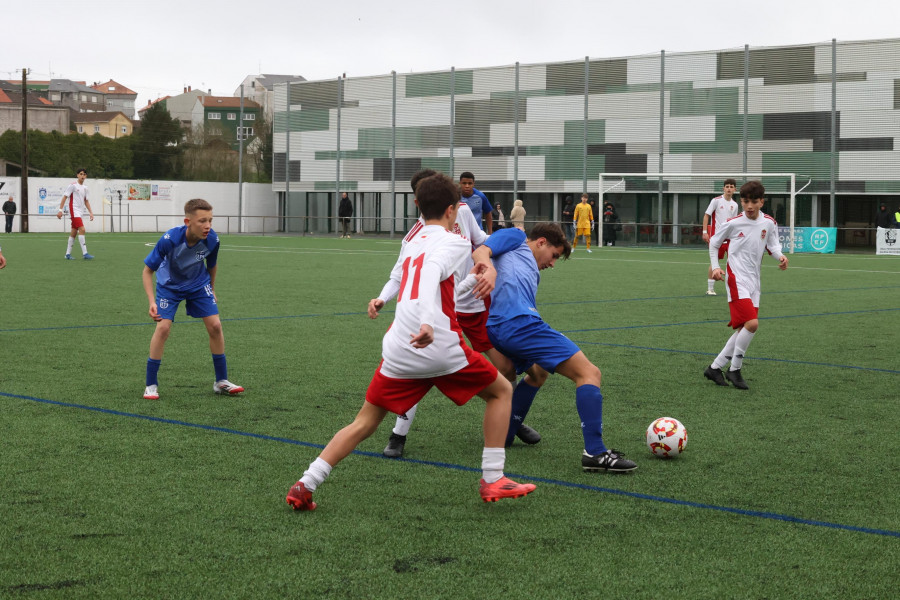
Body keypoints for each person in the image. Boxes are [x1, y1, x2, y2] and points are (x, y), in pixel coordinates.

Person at [286, 173, 536, 510]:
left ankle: (306, 483)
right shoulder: (454, 242)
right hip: (437, 346)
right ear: (454, 209)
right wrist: (429, 323)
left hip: (400, 349)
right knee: (502, 391)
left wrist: (471, 280)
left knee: (364, 422)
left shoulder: (412, 238)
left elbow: (421, 280)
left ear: (417, 206)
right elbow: (433, 271)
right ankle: (493, 479)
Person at [377, 170, 540, 459]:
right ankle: (398, 435)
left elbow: (480, 239)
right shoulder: (414, 237)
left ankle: (511, 422)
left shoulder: (461, 212)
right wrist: (382, 298)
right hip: (439, 312)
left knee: (506, 367)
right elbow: (403, 277)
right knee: (421, 369)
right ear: (420, 203)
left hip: (475, 302)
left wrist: (508, 244)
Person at [472, 223, 637, 473]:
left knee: (538, 374)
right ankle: (595, 452)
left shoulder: (528, 268)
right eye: (554, 255)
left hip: (503, 328)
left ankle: (506, 432)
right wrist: (489, 270)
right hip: (518, 325)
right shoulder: (516, 236)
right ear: (541, 242)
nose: (552, 263)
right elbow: (481, 251)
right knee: (589, 373)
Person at [141, 198, 244, 401]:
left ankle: (221, 381)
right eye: (202, 221)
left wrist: (212, 289)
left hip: (198, 284)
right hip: (169, 286)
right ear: (188, 222)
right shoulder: (170, 240)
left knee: (215, 326)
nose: (207, 226)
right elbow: (147, 271)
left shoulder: (213, 240)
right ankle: (151, 384)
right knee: (162, 329)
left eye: (210, 221)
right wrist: (151, 301)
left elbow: (212, 265)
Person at [704, 181, 788, 391]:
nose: (749, 206)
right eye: (745, 201)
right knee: (752, 324)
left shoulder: (769, 222)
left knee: (744, 328)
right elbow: (714, 242)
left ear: (762, 201)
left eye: (754, 201)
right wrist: (715, 267)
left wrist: (780, 256)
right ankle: (735, 369)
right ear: (741, 201)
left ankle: (714, 368)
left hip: (754, 281)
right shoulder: (733, 223)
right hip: (736, 279)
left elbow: (773, 244)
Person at [701, 178, 738, 295]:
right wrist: (704, 231)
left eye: (731, 187)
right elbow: (706, 216)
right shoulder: (716, 201)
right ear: (723, 188)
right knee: (714, 262)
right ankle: (710, 289)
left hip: (730, 238)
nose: (729, 189)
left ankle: (734, 288)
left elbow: (735, 222)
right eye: (727, 186)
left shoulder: (735, 205)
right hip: (716, 238)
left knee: (733, 262)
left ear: (734, 189)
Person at [56, 168, 95, 260]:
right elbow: (65, 197)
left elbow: (86, 201)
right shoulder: (73, 185)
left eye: (84, 174)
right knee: (82, 229)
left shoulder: (85, 188)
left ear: (86, 176)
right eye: (80, 174)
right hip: (74, 211)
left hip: (80, 212)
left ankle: (67, 255)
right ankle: (85, 253)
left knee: (73, 232)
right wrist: (60, 210)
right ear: (77, 175)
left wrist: (91, 213)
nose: (82, 176)